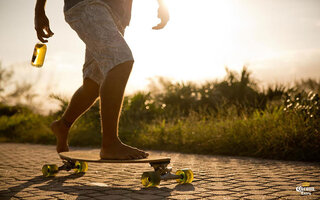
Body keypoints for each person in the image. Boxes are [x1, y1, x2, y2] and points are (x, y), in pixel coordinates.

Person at [34, 0, 169, 159]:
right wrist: (39, 10)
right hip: (89, 5)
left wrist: (162, 4)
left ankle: (63, 125)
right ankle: (110, 144)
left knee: (94, 82)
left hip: (118, 14)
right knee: (120, 62)